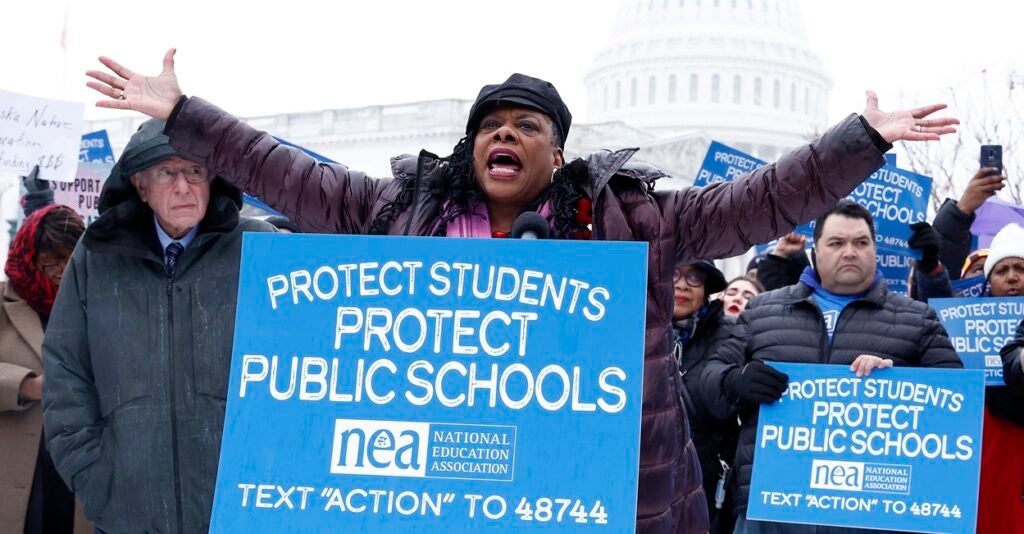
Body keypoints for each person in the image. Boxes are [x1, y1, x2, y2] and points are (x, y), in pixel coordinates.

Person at [84, 49, 957, 533]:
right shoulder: (393, 214)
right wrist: (183, 114)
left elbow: (765, 198)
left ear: (556, 151)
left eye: (525, 125)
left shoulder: (640, 224)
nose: (504, 134)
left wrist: (861, 141)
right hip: (450, 496)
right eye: (489, 126)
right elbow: (280, 169)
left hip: (617, 502)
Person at [42, 119, 276, 533]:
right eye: (167, 173)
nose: (184, 187)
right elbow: (66, 372)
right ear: (140, 185)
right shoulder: (96, 256)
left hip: (239, 510)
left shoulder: (259, 246)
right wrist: (99, 480)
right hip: (128, 514)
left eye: (195, 171)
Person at [700, 200, 962, 534]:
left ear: (875, 250)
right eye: (837, 243)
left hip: (874, 512)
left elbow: (956, 406)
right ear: (815, 251)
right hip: (773, 508)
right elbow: (707, 381)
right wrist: (736, 381)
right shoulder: (763, 310)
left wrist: (901, 381)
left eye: (861, 242)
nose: (849, 252)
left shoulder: (917, 319)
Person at [0, 206, 89, 534]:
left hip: (78, 466)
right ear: (28, 255)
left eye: (70, 260)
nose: (61, 273)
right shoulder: (3, 302)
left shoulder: (98, 302)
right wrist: (28, 386)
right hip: (17, 467)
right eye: (50, 263)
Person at [672, 261, 740, 533]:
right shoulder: (629, 333)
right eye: (672, 273)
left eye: (695, 277)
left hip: (704, 487)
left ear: (708, 289)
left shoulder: (731, 333)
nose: (681, 284)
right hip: (640, 483)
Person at [974, 222, 1024, 532]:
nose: (1012, 277)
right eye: (1001, 270)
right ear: (989, 281)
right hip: (987, 449)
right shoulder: (963, 326)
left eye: (1020, 267)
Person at [933, 166, 1006, 280]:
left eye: (999, 270)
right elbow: (941, 268)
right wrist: (961, 210)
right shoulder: (952, 293)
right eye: (979, 268)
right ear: (962, 276)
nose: (986, 276)